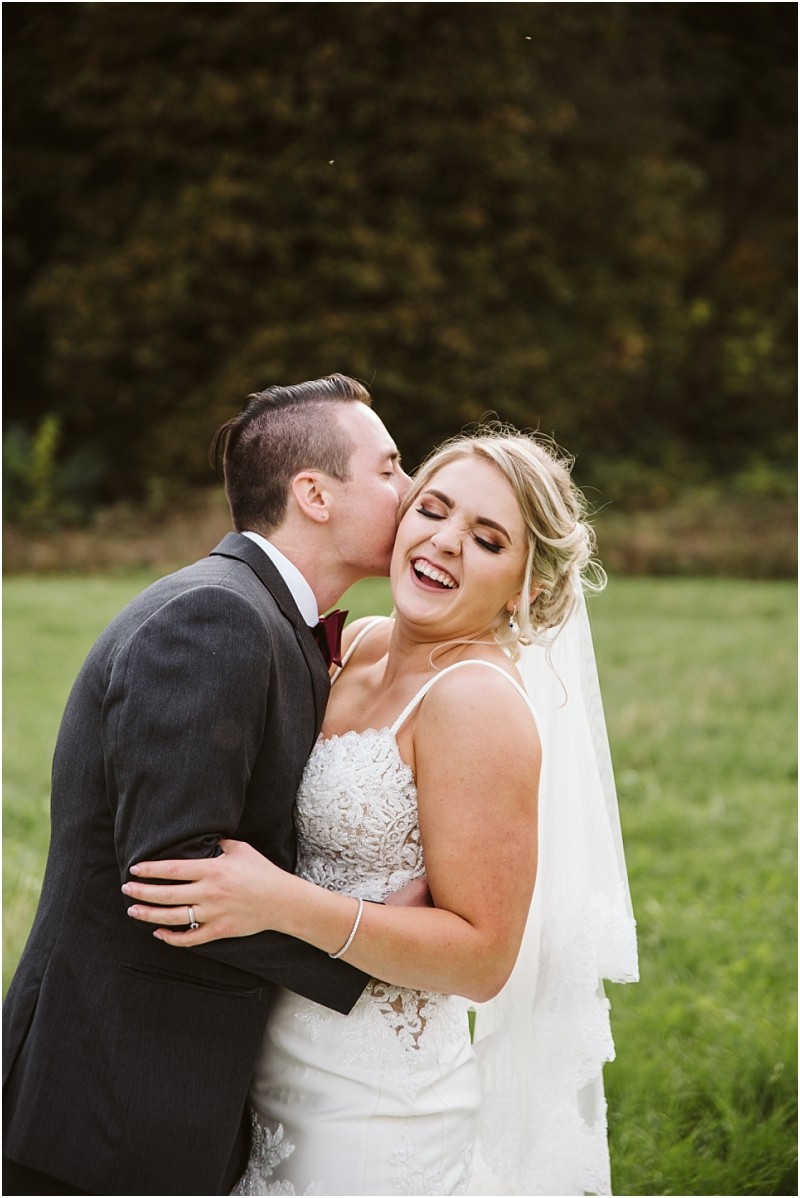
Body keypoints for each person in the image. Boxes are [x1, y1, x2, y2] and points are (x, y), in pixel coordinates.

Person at [124, 426, 639, 1196]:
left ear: (526, 587)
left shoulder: (475, 702)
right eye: (433, 509)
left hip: (370, 1101)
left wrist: (283, 901)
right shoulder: (358, 644)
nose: (446, 542)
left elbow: (483, 959)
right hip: (265, 1057)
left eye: (489, 539)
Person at [2, 374, 412, 1196]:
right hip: (109, 1102)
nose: (412, 488)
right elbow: (174, 883)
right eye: (391, 468)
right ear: (315, 494)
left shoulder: (270, 621)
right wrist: (364, 944)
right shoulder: (214, 619)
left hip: (167, 1088)